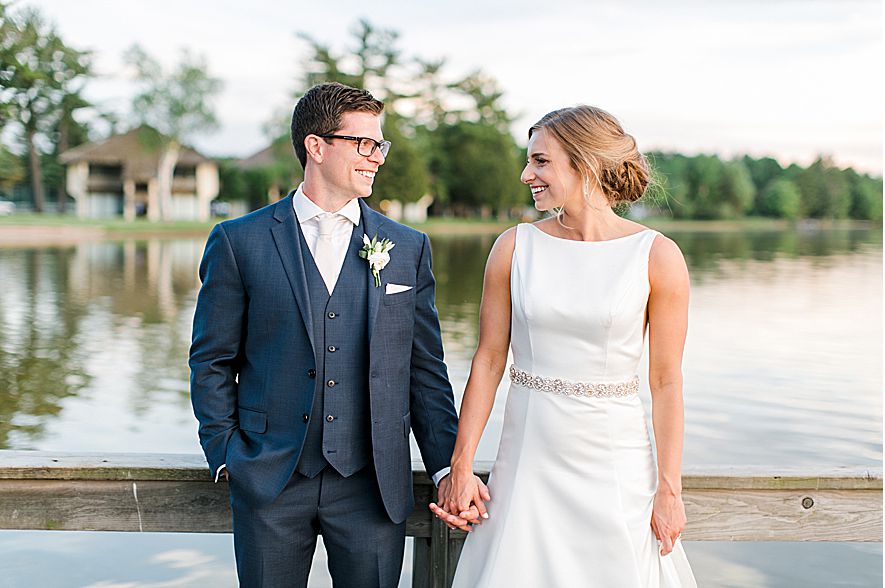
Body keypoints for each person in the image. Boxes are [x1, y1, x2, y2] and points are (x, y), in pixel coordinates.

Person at [189, 82, 459, 587]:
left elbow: (425, 368)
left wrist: (446, 467)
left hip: (373, 485)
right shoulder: (238, 241)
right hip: (270, 480)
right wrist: (226, 453)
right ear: (316, 146)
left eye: (380, 145)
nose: (377, 157)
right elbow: (211, 360)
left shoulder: (406, 246)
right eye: (364, 143)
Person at [428, 105, 699, 586]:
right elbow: (489, 361)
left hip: (616, 462)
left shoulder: (656, 255)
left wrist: (669, 490)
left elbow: (666, 381)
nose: (525, 173)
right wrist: (462, 464)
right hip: (528, 458)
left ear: (585, 163)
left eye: (540, 161)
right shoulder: (514, 247)